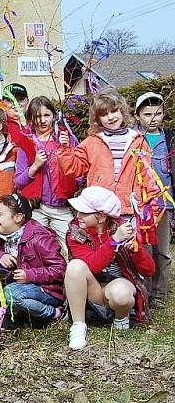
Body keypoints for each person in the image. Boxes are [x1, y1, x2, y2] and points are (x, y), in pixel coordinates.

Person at [64, 186, 155, 350]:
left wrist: (136, 250)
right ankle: (78, 326)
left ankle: (121, 318)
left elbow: (149, 270)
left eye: (84, 212)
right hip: (92, 290)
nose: (78, 216)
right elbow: (93, 266)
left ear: (101, 217)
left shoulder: (124, 228)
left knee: (121, 294)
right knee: (75, 266)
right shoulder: (75, 232)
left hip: (118, 287)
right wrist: (114, 241)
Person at [58, 88, 159, 222]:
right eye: (104, 114)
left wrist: (152, 207)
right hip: (99, 210)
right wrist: (65, 149)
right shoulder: (92, 142)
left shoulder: (138, 140)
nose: (111, 117)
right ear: (98, 119)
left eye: (114, 111)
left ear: (122, 111)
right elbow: (72, 168)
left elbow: (147, 176)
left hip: (129, 208)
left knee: (128, 242)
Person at [0, 194, 66, 328]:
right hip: (20, 287)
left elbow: (60, 269)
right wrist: (0, 255)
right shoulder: (2, 235)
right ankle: (17, 315)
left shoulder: (39, 238)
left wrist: (30, 275)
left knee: (10, 293)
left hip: (46, 290)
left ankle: (53, 312)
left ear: (18, 218)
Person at [14, 97, 78, 247]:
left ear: (54, 116)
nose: (42, 121)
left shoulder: (65, 140)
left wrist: (66, 150)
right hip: (37, 208)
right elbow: (18, 182)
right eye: (37, 117)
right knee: (38, 247)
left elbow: (78, 175)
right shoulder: (27, 144)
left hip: (62, 207)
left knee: (71, 246)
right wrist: (35, 166)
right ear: (30, 120)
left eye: (46, 115)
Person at [135, 92, 173, 307]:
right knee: (144, 250)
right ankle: (144, 293)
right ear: (138, 115)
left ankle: (159, 295)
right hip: (141, 205)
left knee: (163, 251)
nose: (153, 118)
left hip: (164, 203)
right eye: (147, 114)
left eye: (158, 113)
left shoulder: (169, 138)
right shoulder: (134, 138)